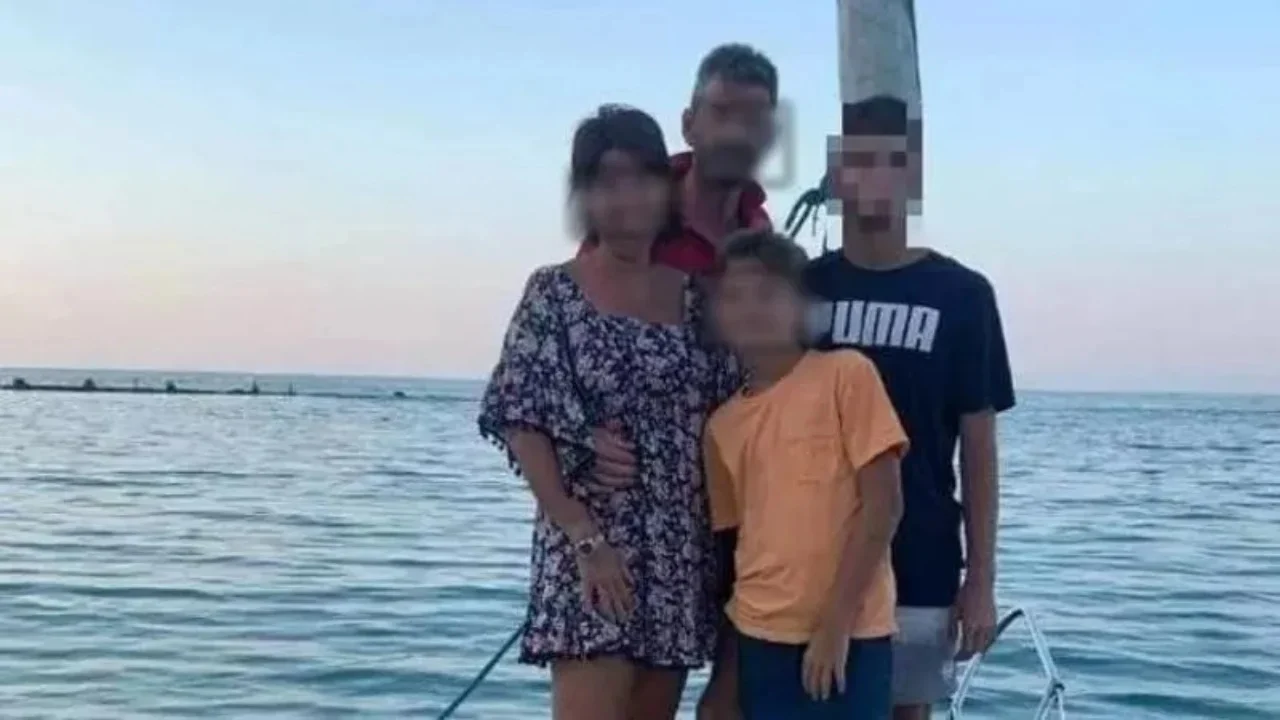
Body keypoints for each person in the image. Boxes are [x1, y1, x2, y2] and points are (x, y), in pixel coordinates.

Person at [477, 104, 733, 720]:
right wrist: (585, 535)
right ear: (584, 195)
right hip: (590, 552)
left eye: (642, 178)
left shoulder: (699, 302)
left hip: (678, 556)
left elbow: (737, 416)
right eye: (607, 182)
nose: (627, 198)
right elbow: (520, 416)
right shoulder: (553, 293)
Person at [582, 43, 780, 720]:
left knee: (726, 707)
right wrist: (580, 441)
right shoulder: (634, 212)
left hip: (733, 513)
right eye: (722, 112)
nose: (736, 131)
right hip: (631, 513)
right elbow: (567, 347)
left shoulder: (763, 237)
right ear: (690, 123)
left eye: (754, 118)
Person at [804, 95, 1016, 719]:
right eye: (858, 161)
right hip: (811, 556)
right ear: (837, 176)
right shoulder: (802, 288)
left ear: (912, 175)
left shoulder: (963, 295)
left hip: (920, 557)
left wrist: (981, 579)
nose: (874, 177)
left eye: (891, 162)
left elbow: (979, 449)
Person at [705, 228, 907, 719]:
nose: (751, 309)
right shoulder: (720, 425)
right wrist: (725, 675)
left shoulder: (846, 374)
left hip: (851, 635)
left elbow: (884, 505)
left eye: (768, 293)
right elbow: (734, 549)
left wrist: (835, 626)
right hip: (758, 636)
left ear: (800, 306)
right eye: (735, 297)